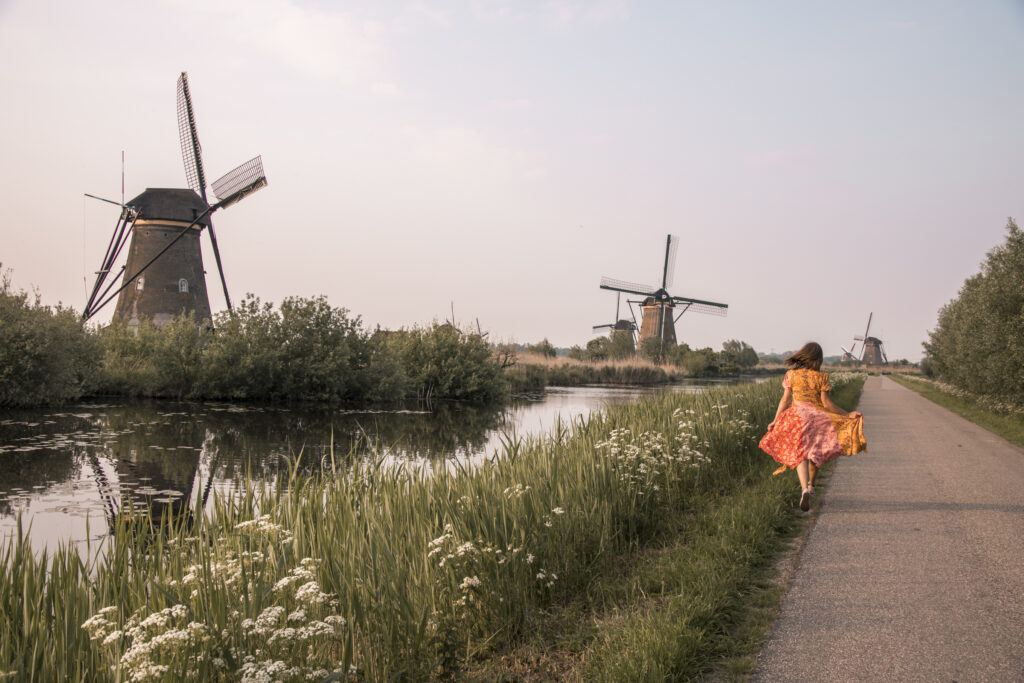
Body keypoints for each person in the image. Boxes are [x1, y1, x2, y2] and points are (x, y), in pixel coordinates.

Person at [759, 342, 866, 511]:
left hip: (797, 416)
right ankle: (811, 485)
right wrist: (847, 414)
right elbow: (827, 403)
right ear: (818, 359)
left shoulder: (791, 375)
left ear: (803, 355)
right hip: (817, 418)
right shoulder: (822, 377)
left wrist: (775, 419)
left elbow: (785, 400)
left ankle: (804, 490)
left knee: (800, 453)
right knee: (815, 452)